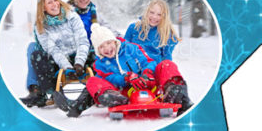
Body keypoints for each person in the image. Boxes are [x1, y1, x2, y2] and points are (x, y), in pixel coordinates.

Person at [55, 24, 192, 118]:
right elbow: (109, 78)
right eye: (102, 47)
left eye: (108, 43)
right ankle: (111, 98)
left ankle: (175, 93)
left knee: (166, 65)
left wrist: (147, 74)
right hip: (124, 93)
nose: (107, 48)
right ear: (98, 50)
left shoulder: (131, 48)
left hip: (150, 86)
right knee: (93, 81)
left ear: (114, 41)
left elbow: (149, 62)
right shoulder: (100, 64)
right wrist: (126, 78)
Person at [20, 0, 97, 106]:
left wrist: (79, 62)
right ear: (43, 7)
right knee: (36, 55)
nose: (55, 4)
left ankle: (100, 90)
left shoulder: (71, 16)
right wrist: (67, 67)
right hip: (59, 60)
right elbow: (53, 50)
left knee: (97, 54)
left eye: (55, 0)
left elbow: (82, 40)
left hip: (79, 55)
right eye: (50, 2)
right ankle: (52, 93)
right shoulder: (41, 27)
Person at [123, 0, 192, 111]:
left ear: (164, 17)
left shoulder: (166, 33)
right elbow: (124, 51)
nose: (154, 17)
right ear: (147, 11)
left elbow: (166, 58)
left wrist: (165, 74)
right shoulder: (133, 28)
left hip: (154, 73)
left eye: (159, 14)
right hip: (135, 71)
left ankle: (178, 95)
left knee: (168, 65)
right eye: (152, 12)